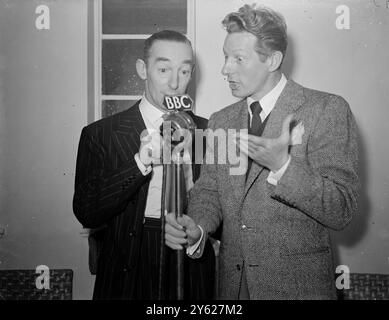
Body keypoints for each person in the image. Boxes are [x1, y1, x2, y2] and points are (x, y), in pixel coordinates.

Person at [165, 4, 360, 299]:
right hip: (231, 291)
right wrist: (199, 228)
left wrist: (283, 166)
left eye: (238, 59)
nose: (225, 69)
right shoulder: (221, 120)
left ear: (272, 60)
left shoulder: (326, 110)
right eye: (225, 57)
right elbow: (209, 193)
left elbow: (341, 209)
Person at [73, 30, 216, 300]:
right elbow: (86, 212)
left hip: (191, 264)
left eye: (184, 71)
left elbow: (225, 214)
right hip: (128, 264)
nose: (174, 82)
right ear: (142, 69)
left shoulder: (208, 132)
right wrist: (139, 164)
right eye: (163, 69)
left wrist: (197, 234)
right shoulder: (100, 134)